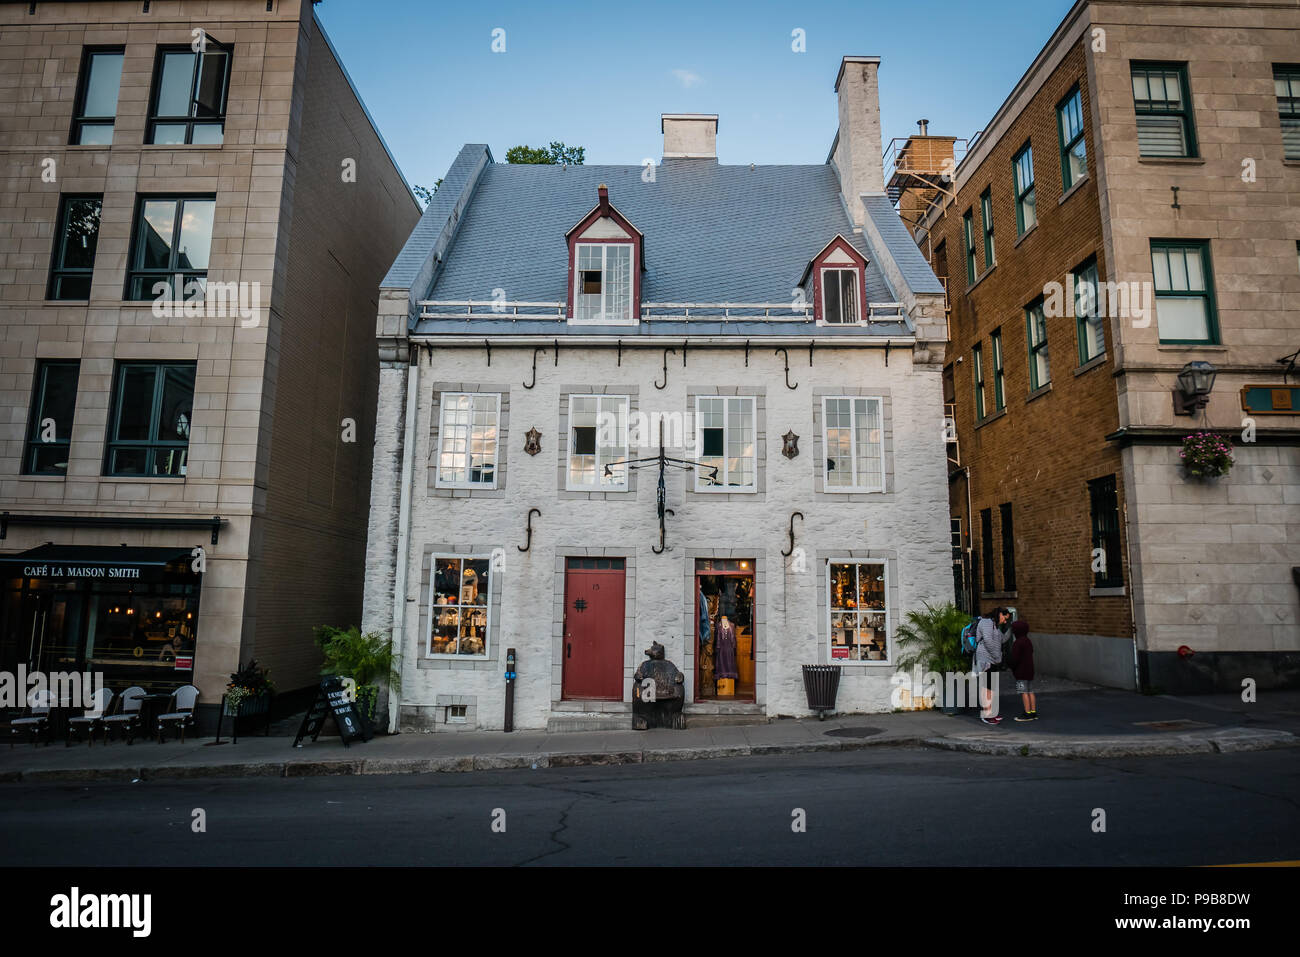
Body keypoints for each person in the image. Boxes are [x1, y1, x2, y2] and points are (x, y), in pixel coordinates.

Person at [975, 607, 1011, 724]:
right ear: (1000, 614)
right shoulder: (986, 622)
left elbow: (1002, 639)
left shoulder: (994, 625)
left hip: (993, 660)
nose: (1005, 621)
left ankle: (991, 713)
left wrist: (1011, 628)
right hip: (985, 660)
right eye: (1005, 618)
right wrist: (997, 657)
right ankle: (986, 714)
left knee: (991, 687)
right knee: (986, 688)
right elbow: (988, 642)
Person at [1009, 620, 1037, 721]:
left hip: (1020, 673)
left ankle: (1027, 713)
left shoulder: (1017, 643)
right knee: (1030, 691)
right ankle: (1033, 712)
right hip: (1030, 671)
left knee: (1023, 692)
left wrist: (1011, 666)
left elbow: (1014, 659)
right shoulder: (1028, 641)